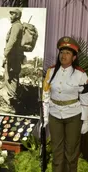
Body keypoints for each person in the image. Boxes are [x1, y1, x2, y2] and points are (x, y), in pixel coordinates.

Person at [42, 36, 88, 172]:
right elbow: (46, 94)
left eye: (68, 53)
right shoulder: (51, 72)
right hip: (55, 114)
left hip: (73, 115)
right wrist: (45, 116)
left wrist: (85, 121)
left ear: (74, 57)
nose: (64, 55)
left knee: (71, 152)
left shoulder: (81, 74)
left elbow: (86, 99)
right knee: (57, 151)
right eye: (62, 52)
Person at [0, 9, 24, 111]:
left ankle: (12, 105)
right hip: (14, 56)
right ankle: (13, 103)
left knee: (11, 78)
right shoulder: (17, 26)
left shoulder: (16, 26)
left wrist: (5, 53)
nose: (10, 16)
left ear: (17, 15)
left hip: (13, 57)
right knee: (11, 78)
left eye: (13, 14)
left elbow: (12, 40)